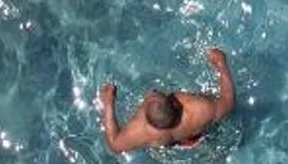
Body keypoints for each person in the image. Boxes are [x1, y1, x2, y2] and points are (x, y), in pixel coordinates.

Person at [99, 48, 236, 154]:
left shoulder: (142, 131)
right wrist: (221, 64)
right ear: (175, 104)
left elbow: (114, 145)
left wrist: (108, 103)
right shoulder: (198, 109)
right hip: (194, 131)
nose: (151, 92)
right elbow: (228, 102)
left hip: (166, 141)